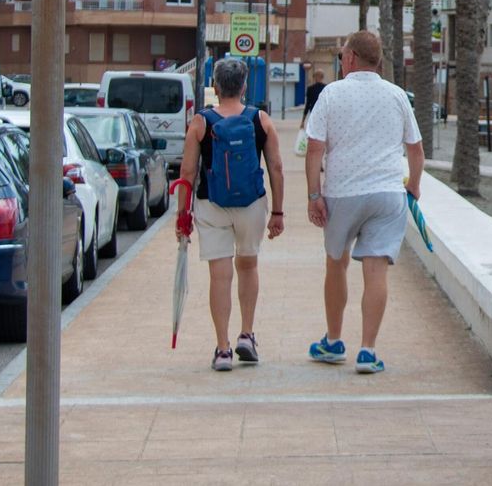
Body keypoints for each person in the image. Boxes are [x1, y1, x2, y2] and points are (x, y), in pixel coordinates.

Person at [303, 31, 422, 374]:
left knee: (336, 264)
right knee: (376, 271)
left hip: (343, 193)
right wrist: (413, 186)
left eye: (342, 55)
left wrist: (314, 195)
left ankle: (334, 341)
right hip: (386, 193)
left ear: (352, 57)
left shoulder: (331, 94)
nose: (341, 61)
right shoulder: (397, 95)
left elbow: (314, 149)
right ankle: (368, 351)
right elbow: (415, 150)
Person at [175, 57, 285, 372]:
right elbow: (276, 167)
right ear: (245, 86)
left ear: (215, 86)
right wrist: (278, 211)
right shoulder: (260, 120)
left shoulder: (200, 122)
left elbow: (187, 170)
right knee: (248, 265)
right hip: (252, 205)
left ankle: (223, 349)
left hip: (211, 205)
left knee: (219, 275)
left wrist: (182, 215)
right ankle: (247, 335)